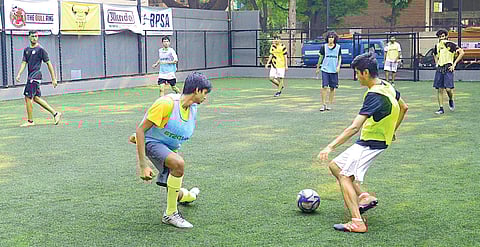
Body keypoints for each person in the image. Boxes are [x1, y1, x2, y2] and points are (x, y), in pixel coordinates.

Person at [317, 53, 408, 233]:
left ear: (365, 73)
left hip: (370, 143)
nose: (357, 77)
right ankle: (364, 196)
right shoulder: (386, 85)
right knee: (335, 166)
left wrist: (330, 146)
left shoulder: (374, 95)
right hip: (375, 140)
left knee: (344, 176)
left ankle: (357, 222)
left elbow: (354, 127)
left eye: (357, 73)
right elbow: (404, 108)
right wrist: (393, 131)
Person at [130, 72, 212, 228]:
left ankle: (189, 196)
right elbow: (141, 130)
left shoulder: (192, 108)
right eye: (205, 92)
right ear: (196, 90)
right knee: (178, 164)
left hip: (168, 147)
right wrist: (143, 165)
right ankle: (170, 214)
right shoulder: (166, 104)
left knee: (174, 189)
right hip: (152, 142)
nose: (206, 97)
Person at [15, 30, 62, 127]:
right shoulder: (26, 50)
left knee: (28, 97)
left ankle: (30, 121)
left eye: (36, 36)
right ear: (29, 37)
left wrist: (54, 79)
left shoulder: (41, 50)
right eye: (32, 36)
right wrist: (19, 74)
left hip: (35, 76)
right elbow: (24, 63)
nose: (34, 38)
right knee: (36, 98)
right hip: (30, 76)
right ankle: (55, 113)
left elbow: (49, 64)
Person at [432, 29, 464, 115]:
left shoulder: (450, 44)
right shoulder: (437, 45)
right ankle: (441, 108)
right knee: (439, 89)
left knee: (448, 89)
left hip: (448, 67)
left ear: (446, 36)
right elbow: (434, 54)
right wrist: (436, 63)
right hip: (440, 68)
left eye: (443, 36)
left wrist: (454, 64)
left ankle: (451, 99)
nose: (441, 38)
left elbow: (461, 52)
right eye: (439, 36)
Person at [315, 31, 342, 111]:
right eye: (330, 37)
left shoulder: (338, 47)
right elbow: (320, 58)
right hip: (325, 69)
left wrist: (338, 66)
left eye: (332, 37)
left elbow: (340, 57)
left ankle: (329, 104)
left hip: (334, 70)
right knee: (324, 87)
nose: (331, 39)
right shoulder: (324, 47)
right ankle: (323, 104)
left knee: (332, 88)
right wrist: (318, 68)